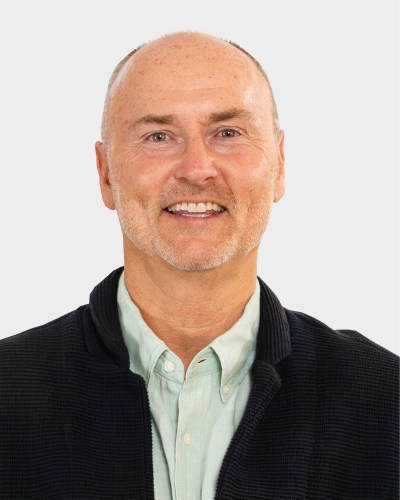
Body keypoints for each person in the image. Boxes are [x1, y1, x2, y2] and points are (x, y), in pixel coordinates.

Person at [0, 32, 398, 500]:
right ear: (105, 173)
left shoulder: (386, 402)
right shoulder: (8, 395)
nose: (196, 168)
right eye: (159, 136)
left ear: (280, 164)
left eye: (227, 133)